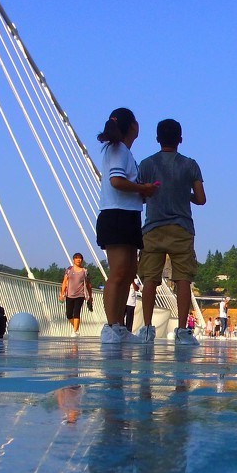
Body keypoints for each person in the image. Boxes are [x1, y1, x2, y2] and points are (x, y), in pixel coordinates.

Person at [137, 118, 206, 346]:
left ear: (157, 139)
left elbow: (141, 195)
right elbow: (201, 199)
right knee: (183, 279)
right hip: (182, 228)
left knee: (150, 279)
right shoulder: (190, 165)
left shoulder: (146, 165)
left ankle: (147, 328)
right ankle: (182, 331)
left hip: (153, 227)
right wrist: (182, 193)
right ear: (180, 139)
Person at [95, 108, 159, 344]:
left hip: (128, 214)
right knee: (119, 272)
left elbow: (122, 183)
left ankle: (119, 326)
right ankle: (111, 326)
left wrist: (141, 192)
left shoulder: (123, 151)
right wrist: (143, 189)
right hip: (116, 215)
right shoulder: (119, 150)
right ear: (132, 126)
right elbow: (116, 181)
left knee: (129, 272)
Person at [59, 252, 93, 336]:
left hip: (80, 295)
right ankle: (76, 328)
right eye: (77, 258)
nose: (79, 259)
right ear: (73, 260)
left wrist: (90, 296)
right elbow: (64, 282)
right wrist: (61, 294)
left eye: (80, 258)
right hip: (69, 294)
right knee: (69, 314)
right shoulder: (69, 270)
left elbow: (89, 285)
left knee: (77, 312)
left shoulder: (84, 271)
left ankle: (74, 331)